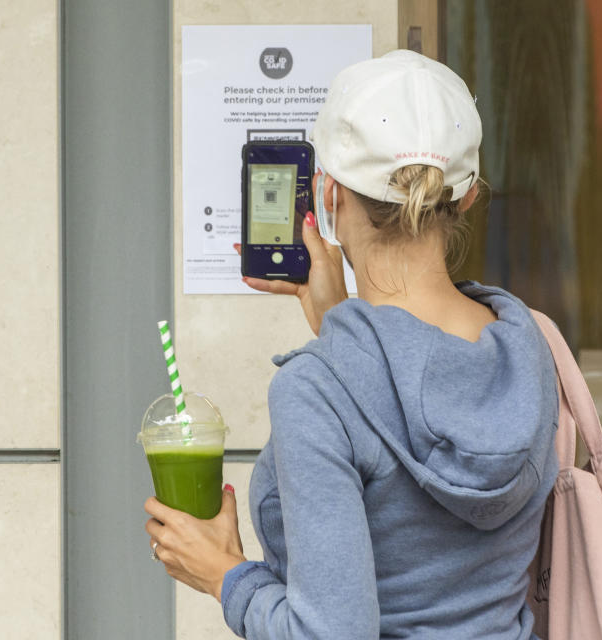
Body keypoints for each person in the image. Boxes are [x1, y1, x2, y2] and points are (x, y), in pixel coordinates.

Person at [145, 49, 559, 639]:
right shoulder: (528, 347)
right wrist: (339, 322)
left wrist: (224, 575)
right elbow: (426, 400)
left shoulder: (316, 391)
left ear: (327, 195)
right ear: (466, 196)